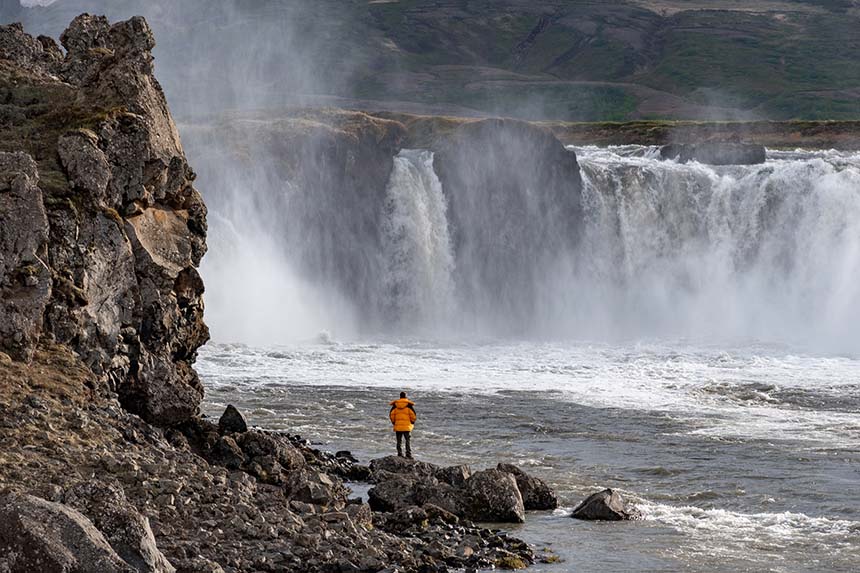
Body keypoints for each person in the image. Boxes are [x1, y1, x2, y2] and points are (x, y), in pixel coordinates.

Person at [389, 391, 417, 458]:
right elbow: (413, 416)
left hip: (398, 426)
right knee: (407, 440)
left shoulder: (395, 405)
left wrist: (394, 423)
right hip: (407, 426)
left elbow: (391, 415)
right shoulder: (408, 406)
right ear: (405, 396)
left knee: (399, 441)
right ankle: (408, 454)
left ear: (400, 396)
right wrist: (412, 422)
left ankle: (399, 453)